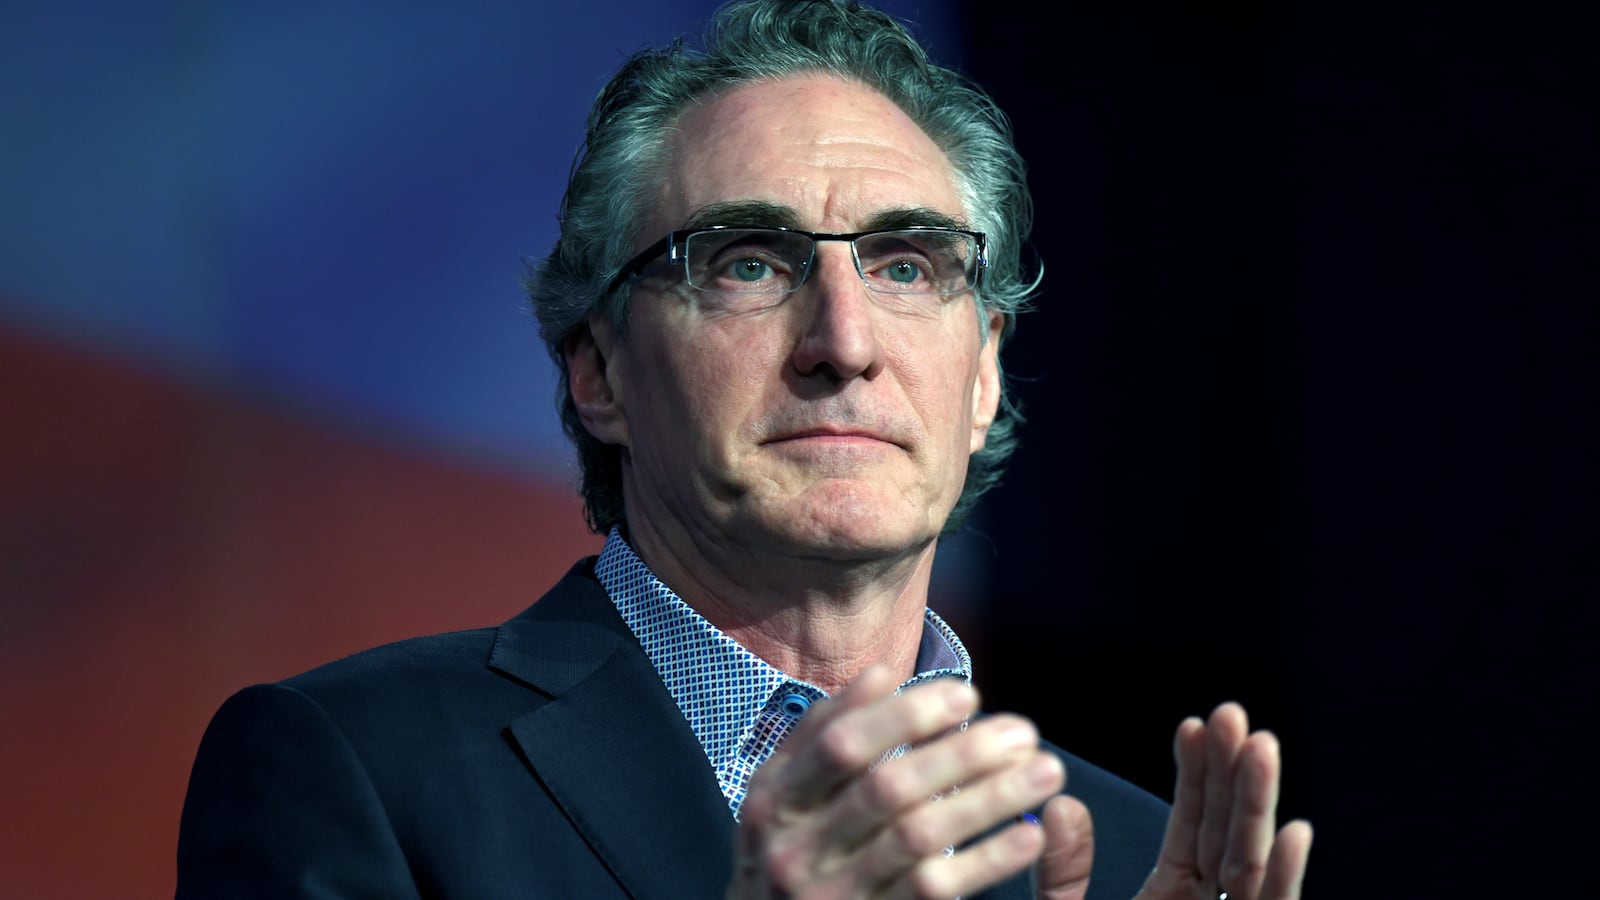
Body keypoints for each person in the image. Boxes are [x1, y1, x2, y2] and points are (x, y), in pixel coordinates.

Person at [176, 1, 1312, 897]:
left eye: (906, 265)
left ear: (984, 375)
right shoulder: (355, 769)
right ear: (601, 372)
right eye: (749, 263)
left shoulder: (1130, 857)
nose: (845, 343)